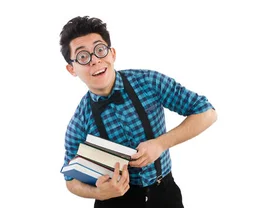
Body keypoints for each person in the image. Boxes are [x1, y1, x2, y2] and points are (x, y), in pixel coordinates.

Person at [59, 16, 217, 208]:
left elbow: (207, 113)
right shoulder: (79, 122)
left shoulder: (148, 82)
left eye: (100, 50)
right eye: (83, 56)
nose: (95, 61)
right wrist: (98, 192)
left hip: (165, 194)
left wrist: (160, 144)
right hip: (112, 202)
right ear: (71, 69)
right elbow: (70, 179)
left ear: (112, 54)